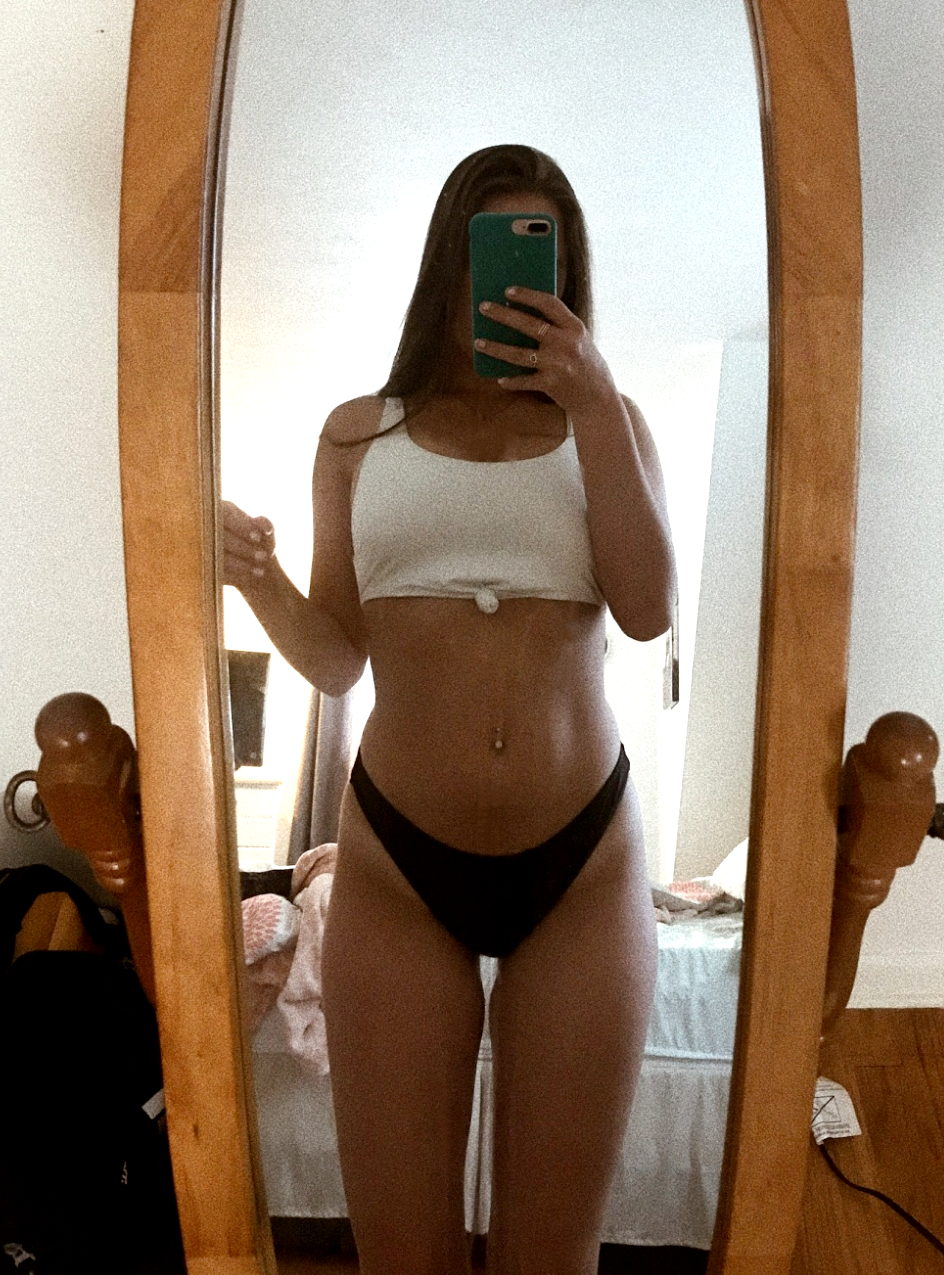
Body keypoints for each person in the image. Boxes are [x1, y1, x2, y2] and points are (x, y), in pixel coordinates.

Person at [223, 144, 677, 1274]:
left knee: (552, 1255)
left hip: (584, 865)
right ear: (447, 268)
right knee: (401, 1255)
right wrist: (257, 581)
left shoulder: (611, 422)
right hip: (398, 865)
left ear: (568, 276)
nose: (509, 288)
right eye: (488, 256)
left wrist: (592, 398)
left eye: (538, 260)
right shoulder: (356, 436)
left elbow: (647, 609)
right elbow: (337, 661)